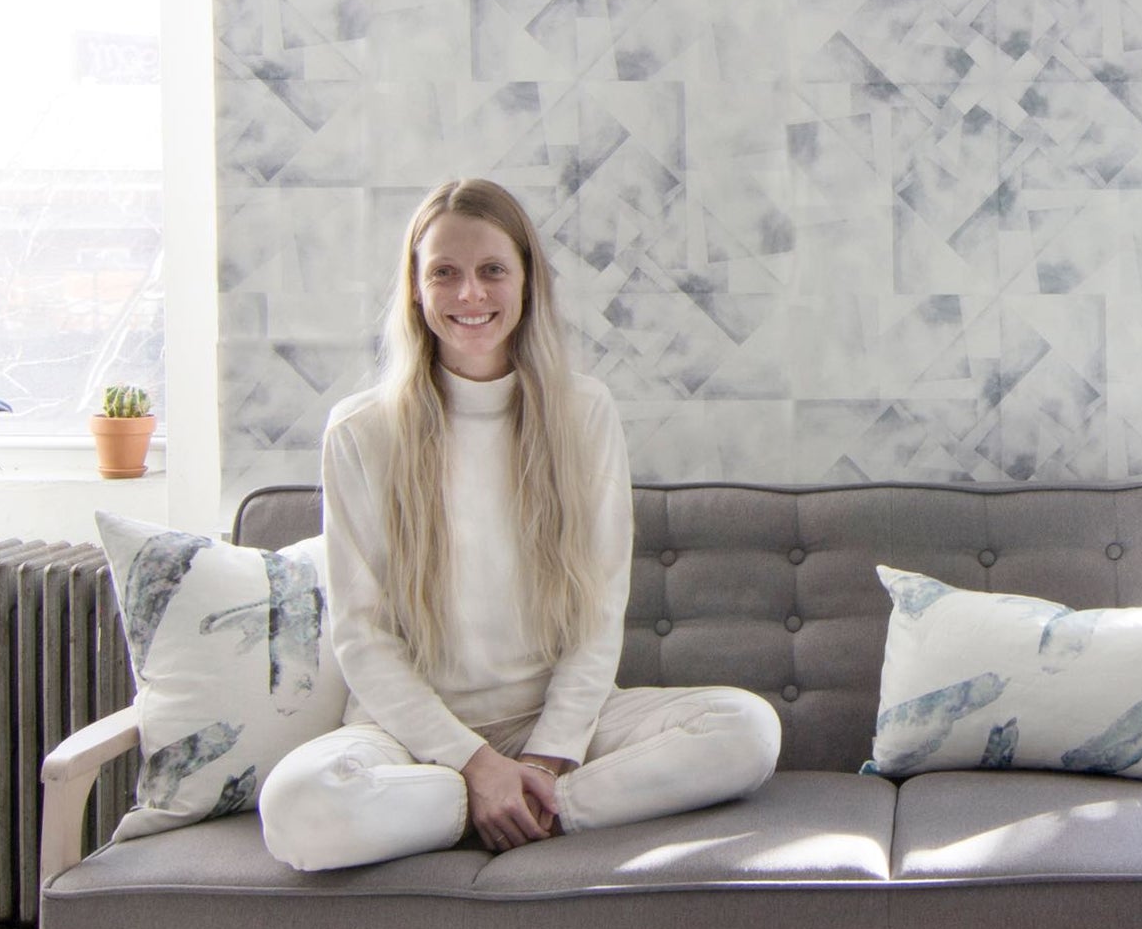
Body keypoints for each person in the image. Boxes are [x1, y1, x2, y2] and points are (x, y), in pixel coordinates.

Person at [259, 178, 782, 870]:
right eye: (444, 272)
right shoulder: (361, 431)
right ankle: (477, 800)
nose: (469, 294)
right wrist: (475, 765)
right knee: (298, 806)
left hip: (557, 727)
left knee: (747, 730)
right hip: (410, 737)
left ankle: (541, 804)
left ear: (527, 283)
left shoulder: (583, 413)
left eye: (492, 270)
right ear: (415, 289)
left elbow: (599, 611)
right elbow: (362, 637)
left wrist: (546, 754)